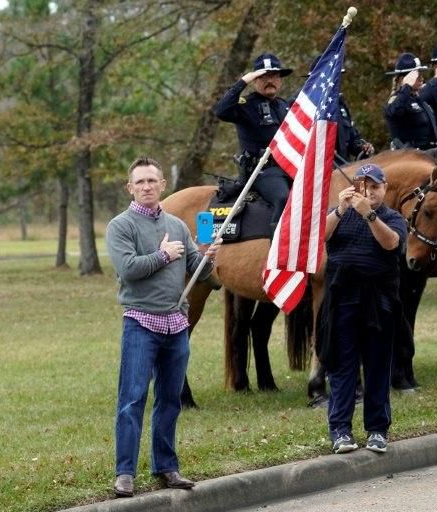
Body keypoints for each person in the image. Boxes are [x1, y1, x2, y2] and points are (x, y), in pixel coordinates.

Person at [106, 156, 220, 498]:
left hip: (176, 324)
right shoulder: (120, 226)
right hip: (141, 322)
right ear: (130, 188)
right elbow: (127, 269)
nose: (146, 187)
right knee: (133, 398)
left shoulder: (177, 225)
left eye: (151, 181)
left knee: (170, 400)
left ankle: (166, 466)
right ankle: (124, 473)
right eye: (139, 182)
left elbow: (199, 272)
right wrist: (164, 256)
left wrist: (209, 257)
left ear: (162, 185)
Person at [317, 163, 407, 454]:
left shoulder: (392, 218)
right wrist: (342, 209)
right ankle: (340, 431)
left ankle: (377, 430)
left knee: (378, 366)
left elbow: (391, 243)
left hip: (379, 301)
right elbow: (321, 236)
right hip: (342, 298)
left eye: (375, 186)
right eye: (363, 186)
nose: (369, 192)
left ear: (385, 188)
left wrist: (368, 213)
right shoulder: (340, 214)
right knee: (342, 367)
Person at [214, 52, 293, 228]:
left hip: (289, 167)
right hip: (262, 171)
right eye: (262, 77)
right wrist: (242, 82)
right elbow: (221, 111)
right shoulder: (245, 105)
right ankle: (278, 250)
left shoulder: (284, 106)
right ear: (255, 81)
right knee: (283, 198)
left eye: (273, 75)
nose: (269, 80)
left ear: (280, 79)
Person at [304, 55, 375, 166]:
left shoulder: (340, 105)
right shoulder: (305, 107)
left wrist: (362, 147)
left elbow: (352, 139)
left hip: (344, 168)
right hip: (317, 171)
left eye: (338, 77)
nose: (336, 81)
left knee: (374, 178)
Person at [383, 52, 437, 150]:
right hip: (410, 158)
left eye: (421, 73)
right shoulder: (396, 99)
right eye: (416, 75)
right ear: (403, 78)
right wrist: (406, 87)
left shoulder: (419, 100)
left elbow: (434, 132)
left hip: (429, 153)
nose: (421, 78)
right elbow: (393, 112)